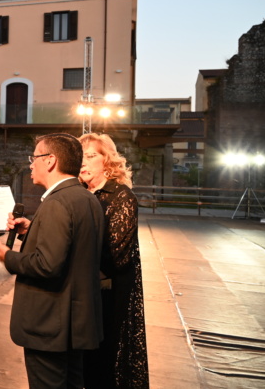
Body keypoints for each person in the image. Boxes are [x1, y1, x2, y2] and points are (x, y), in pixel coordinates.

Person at [0, 133, 105, 389]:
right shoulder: (86, 198)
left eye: (34, 158)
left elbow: (47, 265)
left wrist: (7, 256)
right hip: (75, 324)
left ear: (51, 161)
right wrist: (31, 230)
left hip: (50, 325)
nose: (31, 164)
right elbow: (75, 248)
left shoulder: (57, 203)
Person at [78, 133, 149, 388]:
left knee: (104, 363)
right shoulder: (81, 195)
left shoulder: (121, 196)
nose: (83, 163)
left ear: (107, 160)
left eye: (91, 156)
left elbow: (117, 255)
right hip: (85, 292)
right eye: (80, 157)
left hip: (111, 294)